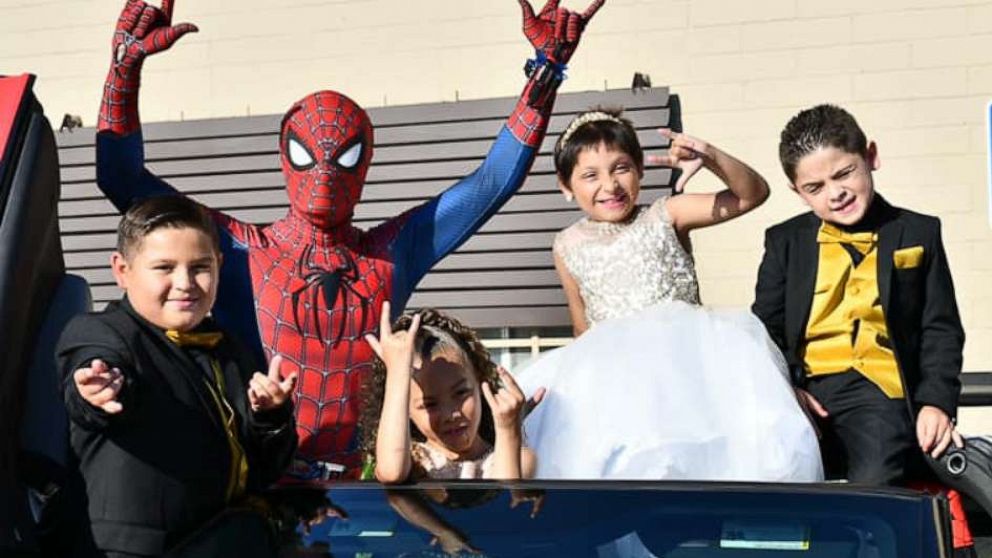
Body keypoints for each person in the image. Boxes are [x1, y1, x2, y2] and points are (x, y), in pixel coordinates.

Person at [93, 0, 604, 479]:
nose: (324, 173)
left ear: (366, 166)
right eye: (306, 154)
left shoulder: (389, 253)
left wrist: (545, 73)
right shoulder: (240, 249)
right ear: (283, 159)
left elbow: (491, 184)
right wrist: (122, 71)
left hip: (367, 487)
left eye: (344, 157)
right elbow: (122, 181)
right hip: (261, 480)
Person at [518, 108, 823, 481]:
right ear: (566, 187)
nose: (609, 185)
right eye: (590, 176)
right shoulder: (566, 245)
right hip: (615, 382)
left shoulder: (668, 214)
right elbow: (582, 327)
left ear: (641, 169)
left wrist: (710, 157)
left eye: (621, 168)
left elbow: (750, 195)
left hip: (688, 368)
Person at [56, 196, 298, 557]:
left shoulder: (234, 352)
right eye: (164, 267)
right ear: (122, 270)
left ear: (219, 265)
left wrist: (271, 416)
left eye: (200, 266)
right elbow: (92, 379)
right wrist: (95, 392)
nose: (185, 283)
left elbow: (267, 469)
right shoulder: (102, 333)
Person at [752, 104, 967, 484]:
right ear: (797, 192)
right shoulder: (785, 241)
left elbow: (940, 328)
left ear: (870, 156)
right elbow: (764, 331)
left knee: (874, 480)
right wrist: (786, 392)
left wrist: (936, 402)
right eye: (815, 188)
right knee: (768, 478)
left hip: (880, 390)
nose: (835, 194)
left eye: (844, 173)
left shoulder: (918, 232)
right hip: (805, 390)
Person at [361, 303, 536, 482]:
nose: (451, 414)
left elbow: (503, 504)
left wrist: (507, 429)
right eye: (429, 404)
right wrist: (398, 372)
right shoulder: (413, 460)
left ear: (480, 381)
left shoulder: (516, 459)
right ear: (405, 411)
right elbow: (391, 473)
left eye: (461, 393)